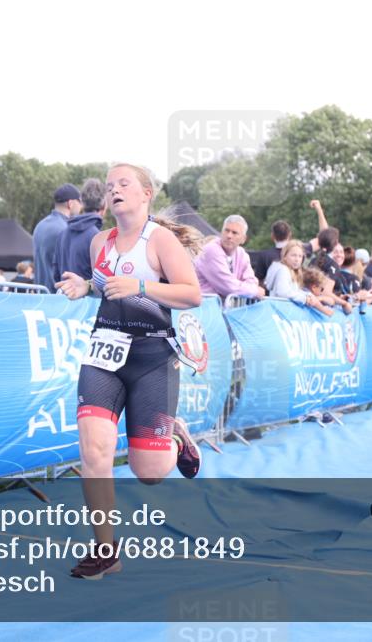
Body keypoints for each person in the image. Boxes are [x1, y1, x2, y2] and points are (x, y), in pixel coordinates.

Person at [55, 163, 204, 580]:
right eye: (109, 186)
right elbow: (105, 283)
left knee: (151, 473)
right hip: (104, 353)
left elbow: (192, 295)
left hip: (153, 356)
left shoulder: (161, 241)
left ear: (145, 194)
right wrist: (87, 285)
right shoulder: (99, 241)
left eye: (124, 184)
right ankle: (106, 549)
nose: (115, 190)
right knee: (95, 451)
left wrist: (141, 287)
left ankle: (175, 435)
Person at [250, 200, 329, 282]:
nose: (297, 258)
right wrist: (319, 210)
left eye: (298, 256)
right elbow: (325, 236)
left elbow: (258, 281)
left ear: (272, 236)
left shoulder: (264, 256)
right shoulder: (301, 249)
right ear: (289, 235)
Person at [194, 215, 264, 298]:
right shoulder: (211, 250)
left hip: (221, 308)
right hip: (203, 307)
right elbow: (229, 287)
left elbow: (251, 281)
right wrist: (255, 291)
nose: (229, 236)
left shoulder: (242, 254)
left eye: (234, 233)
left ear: (243, 239)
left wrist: (245, 289)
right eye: (226, 231)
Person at [32, 183, 82, 292]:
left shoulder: (40, 226)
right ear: (70, 203)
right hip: (58, 297)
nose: (81, 206)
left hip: (40, 295)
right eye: (80, 202)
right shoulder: (66, 229)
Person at [57, 178, 106, 281]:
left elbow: (56, 273)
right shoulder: (97, 237)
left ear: (82, 202)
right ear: (104, 205)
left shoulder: (63, 233)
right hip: (88, 296)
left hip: (63, 295)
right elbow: (101, 281)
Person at [264, 239, 329, 313]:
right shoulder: (283, 270)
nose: (297, 259)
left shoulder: (291, 271)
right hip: (277, 311)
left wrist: (307, 295)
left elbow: (294, 291)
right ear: (284, 256)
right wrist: (304, 298)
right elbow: (282, 291)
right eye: (293, 255)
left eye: (300, 256)